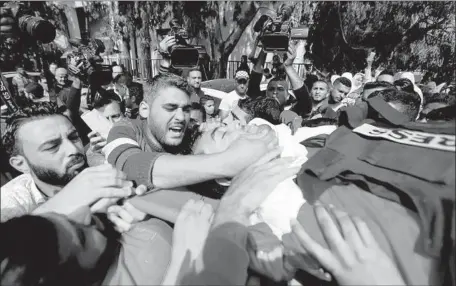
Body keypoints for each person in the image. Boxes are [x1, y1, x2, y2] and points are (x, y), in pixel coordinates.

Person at [105, 73, 277, 190]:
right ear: (144, 109)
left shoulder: (190, 132)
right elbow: (131, 167)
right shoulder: (124, 129)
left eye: (186, 109)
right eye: (170, 108)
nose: (181, 117)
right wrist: (229, 162)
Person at [0, 102, 145, 226]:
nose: (73, 149)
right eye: (52, 147)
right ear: (21, 164)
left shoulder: (104, 174)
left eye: (74, 137)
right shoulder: (10, 203)